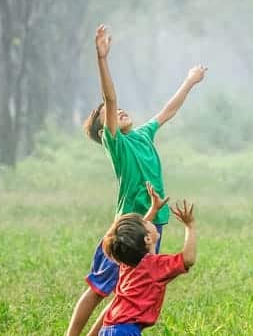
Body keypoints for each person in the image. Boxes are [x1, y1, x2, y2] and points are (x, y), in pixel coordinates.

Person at [65, 24, 207, 336]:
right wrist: (103, 59)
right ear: (105, 128)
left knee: (129, 286)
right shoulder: (116, 143)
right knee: (100, 287)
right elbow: (110, 98)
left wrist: (189, 82)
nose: (119, 111)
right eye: (109, 114)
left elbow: (167, 111)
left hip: (153, 222)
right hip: (127, 227)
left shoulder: (143, 135)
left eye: (117, 111)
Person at [96, 193, 197, 335]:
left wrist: (153, 209)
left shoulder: (128, 263)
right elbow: (188, 259)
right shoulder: (155, 266)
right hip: (126, 331)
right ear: (148, 238)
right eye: (146, 222)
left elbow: (135, 237)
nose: (148, 221)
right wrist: (190, 226)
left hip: (108, 329)